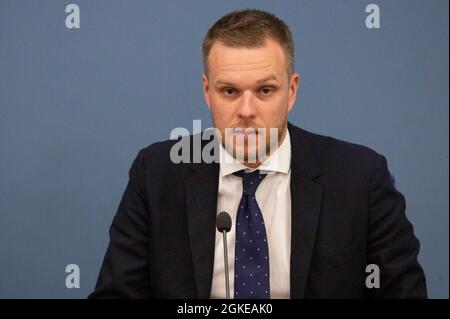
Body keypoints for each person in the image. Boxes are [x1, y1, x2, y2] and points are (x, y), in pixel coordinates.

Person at [89, 9, 427, 299]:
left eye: (265, 90)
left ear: (291, 91)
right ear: (207, 92)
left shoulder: (359, 177)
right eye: (229, 91)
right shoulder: (157, 173)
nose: (246, 110)